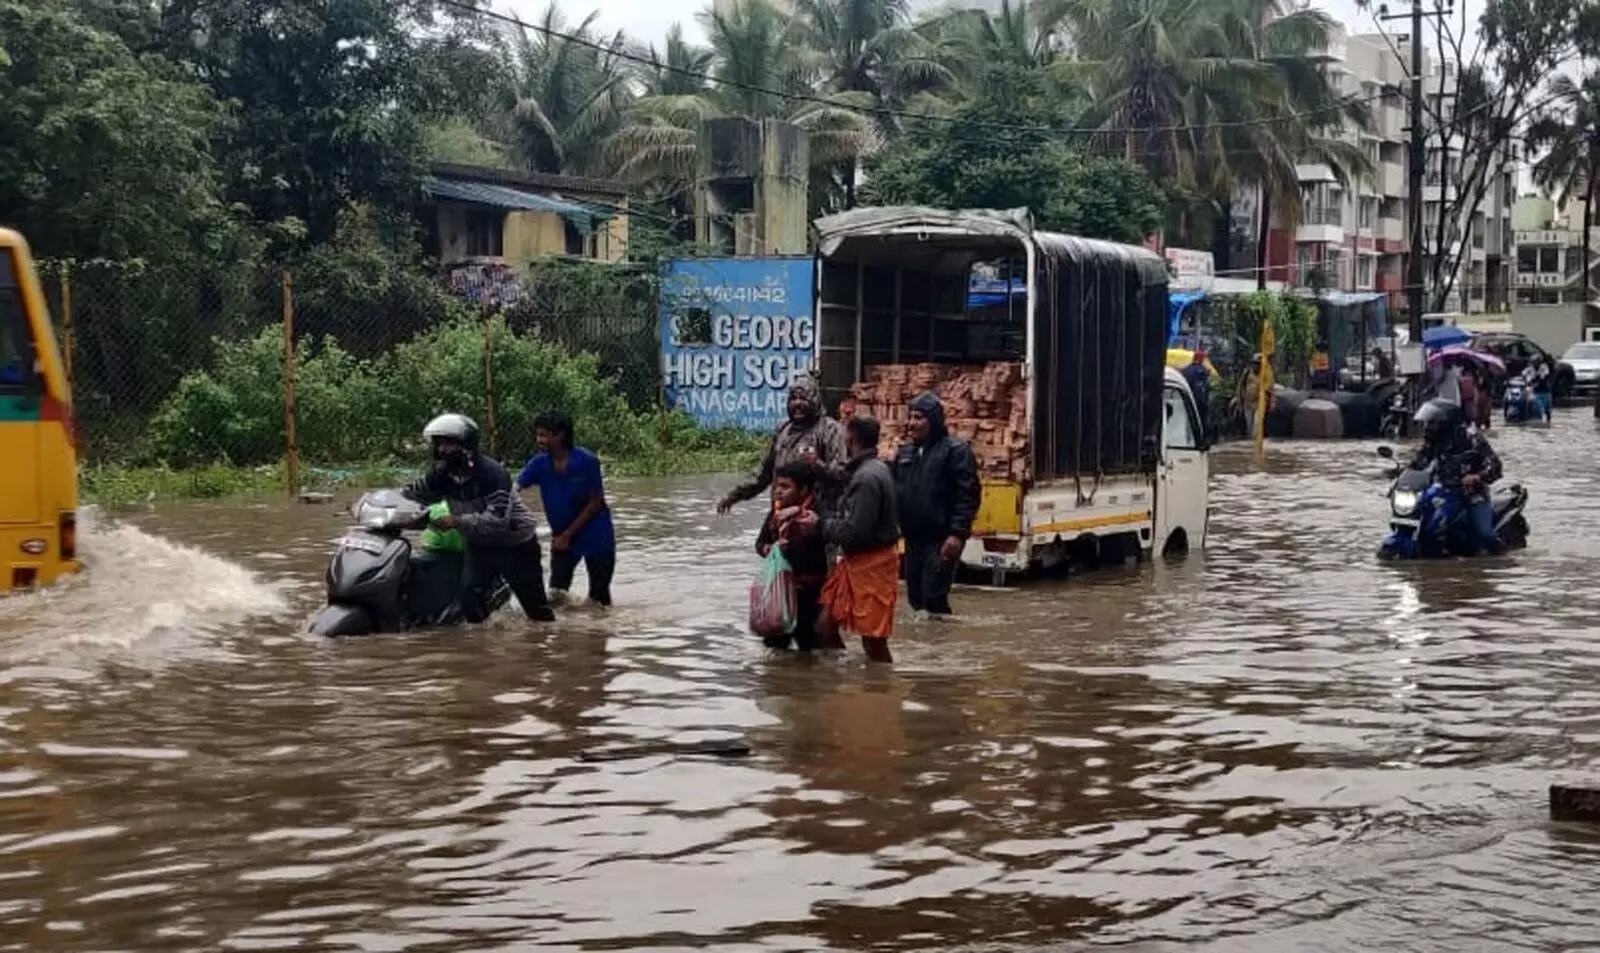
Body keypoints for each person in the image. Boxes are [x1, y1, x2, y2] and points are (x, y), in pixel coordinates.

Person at [403, 413, 557, 622]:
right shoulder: (442, 474)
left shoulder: (493, 474)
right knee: (469, 599)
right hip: (478, 544)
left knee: (537, 612)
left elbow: (497, 520)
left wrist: (457, 521)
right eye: (439, 444)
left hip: (515, 545)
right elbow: (414, 494)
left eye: (449, 444)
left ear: (466, 445)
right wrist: (385, 505)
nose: (442, 450)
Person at [796, 415, 900, 663]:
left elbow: (856, 534)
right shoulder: (871, 469)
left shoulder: (867, 478)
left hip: (871, 564)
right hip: (857, 564)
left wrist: (819, 525)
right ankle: (842, 685)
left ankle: (881, 691)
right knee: (825, 626)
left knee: (874, 641)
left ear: (850, 439)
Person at [515, 411, 616, 607]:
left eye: (544, 435)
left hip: (595, 535)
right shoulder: (539, 463)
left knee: (599, 598)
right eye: (538, 435)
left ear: (560, 436)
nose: (539, 440)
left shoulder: (587, 461)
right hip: (561, 536)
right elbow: (515, 488)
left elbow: (595, 502)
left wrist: (567, 536)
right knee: (556, 595)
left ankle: (598, 636)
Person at [894, 392, 980, 619]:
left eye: (919, 417)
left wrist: (957, 533)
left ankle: (942, 645)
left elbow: (968, 494)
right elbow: (896, 491)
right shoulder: (905, 453)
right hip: (913, 540)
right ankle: (925, 648)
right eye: (910, 417)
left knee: (933, 597)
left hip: (941, 539)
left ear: (933, 420)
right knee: (915, 598)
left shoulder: (955, 451)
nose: (912, 423)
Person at [717, 373, 847, 514]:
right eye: (793, 399)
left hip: (816, 517)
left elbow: (842, 476)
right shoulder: (783, 430)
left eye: (803, 398)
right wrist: (733, 496)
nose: (797, 404)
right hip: (781, 513)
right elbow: (762, 475)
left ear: (815, 400)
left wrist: (817, 465)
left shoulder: (830, 430)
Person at [1408, 398, 1505, 556]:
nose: (1427, 428)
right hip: (1442, 491)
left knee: (1484, 534)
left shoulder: (1472, 438)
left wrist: (1476, 477)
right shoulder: (1434, 441)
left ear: (1447, 422)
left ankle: (1501, 561)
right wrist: (1397, 476)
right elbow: (1418, 463)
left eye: (1432, 423)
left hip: (1472, 494)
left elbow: (1496, 467)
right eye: (1426, 423)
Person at [755, 460, 832, 652]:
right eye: (776, 486)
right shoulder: (775, 513)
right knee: (774, 646)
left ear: (804, 490)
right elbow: (759, 544)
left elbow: (832, 547)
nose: (778, 492)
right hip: (781, 590)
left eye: (785, 487)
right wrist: (772, 549)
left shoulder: (818, 515)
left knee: (809, 644)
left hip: (812, 592)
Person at [1181, 349, 1211, 436]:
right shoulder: (1203, 370)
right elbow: (1206, 387)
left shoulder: (1186, 370)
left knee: (1189, 422)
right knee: (1201, 423)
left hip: (1189, 401)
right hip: (1201, 402)